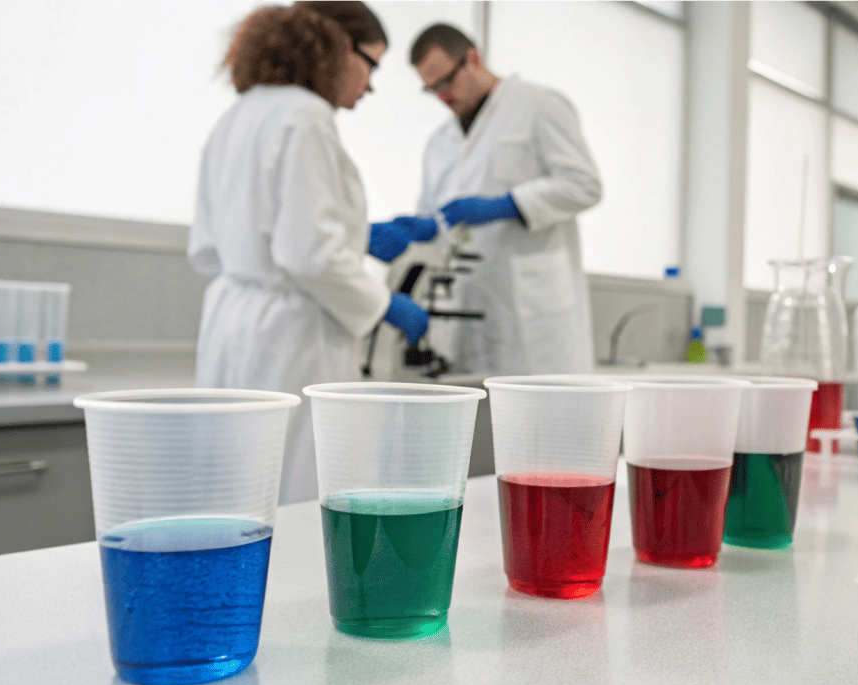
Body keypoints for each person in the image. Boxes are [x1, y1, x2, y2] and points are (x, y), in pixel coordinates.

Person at [189, 1, 431, 504]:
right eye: (373, 64)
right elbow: (308, 256)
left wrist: (352, 234)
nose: (370, 85)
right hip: (293, 338)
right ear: (339, 48)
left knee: (235, 492)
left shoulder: (239, 115)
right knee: (298, 497)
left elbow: (216, 247)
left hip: (232, 324)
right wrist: (386, 304)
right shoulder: (307, 116)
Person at [406, 23, 602, 376]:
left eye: (446, 82)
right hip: (463, 312)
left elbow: (584, 184)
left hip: (533, 317)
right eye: (431, 89)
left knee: (542, 421)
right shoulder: (439, 142)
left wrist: (507, 205)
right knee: (475, 424)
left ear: (473, 58)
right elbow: (432, 218)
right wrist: (418, 229)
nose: (443, 97)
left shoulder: (538, 105)